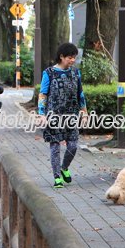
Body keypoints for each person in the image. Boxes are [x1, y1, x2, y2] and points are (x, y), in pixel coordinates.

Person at [38, 43, 87, 189]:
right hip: (54, 115)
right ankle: (57, 177)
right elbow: (43, 94)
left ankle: (64, 167)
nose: (72, 60)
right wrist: (41, 114)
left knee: (73, 145)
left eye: (74, 58)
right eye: (70, 57)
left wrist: (84, 111)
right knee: (55, 147)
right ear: (61, 57)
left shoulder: (75, 73)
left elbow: (80, 93)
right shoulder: (49, 73)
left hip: (71, 115)